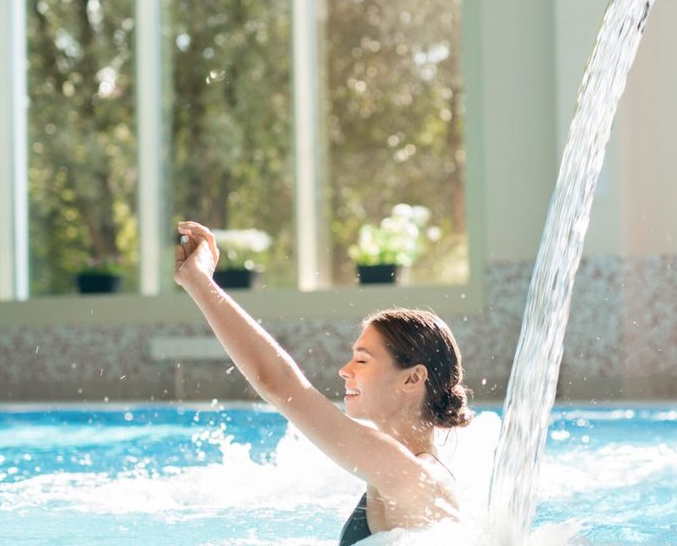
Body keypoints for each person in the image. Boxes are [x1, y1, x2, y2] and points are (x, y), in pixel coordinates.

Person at [174, 221, 475, 544]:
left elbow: (278, 382)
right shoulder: (402, 471)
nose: (345, 371)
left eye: (362, 359)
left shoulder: (408, 475)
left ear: (413, 378)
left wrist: (200, 282)